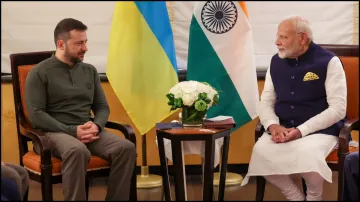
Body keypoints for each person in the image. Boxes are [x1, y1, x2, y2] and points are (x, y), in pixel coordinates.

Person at [24, 18, 136, 201]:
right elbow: (36, 115)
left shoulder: (89, 71)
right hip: (52, 133)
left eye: (85, 42)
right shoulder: (39, 73)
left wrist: (97, 126)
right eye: (79, 43)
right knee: (77, 150)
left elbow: (101, 107)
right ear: (61, 44)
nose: (85, 48)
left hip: (87, 130)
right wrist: (72, 131)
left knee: (126, 148)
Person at [241, 16, 348, 201]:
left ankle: (315, 196)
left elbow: (338, 109)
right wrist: (273, 126)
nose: (277, 42)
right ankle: (295, 196)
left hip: (319, 131)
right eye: (278, 36)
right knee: (260, 153)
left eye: (283, 37)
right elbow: (266, 101)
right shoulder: (275, 62)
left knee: (307, 155)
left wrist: (301, 131)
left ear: (302, 38)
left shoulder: (329, 61)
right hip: (282, 128)